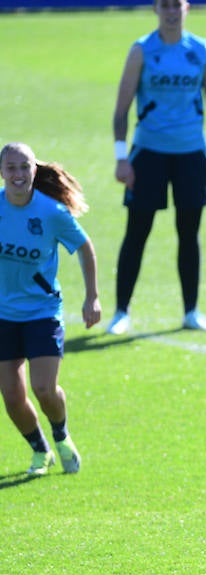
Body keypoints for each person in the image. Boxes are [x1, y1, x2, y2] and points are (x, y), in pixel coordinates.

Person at [108, 0, 206, 336]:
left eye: (176, 5)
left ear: (186, 8)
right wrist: (122, 157)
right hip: (148, 153)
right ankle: (121, 312)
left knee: (189, 233)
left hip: (191, 153)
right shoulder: (141, 51)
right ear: (156, 9)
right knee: (137, 232)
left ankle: (191, 312)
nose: (170, 11)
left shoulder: (203, 51)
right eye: (164, 5)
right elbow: (121, 109)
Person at [0, 143, 100, 476]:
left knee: (44, 389)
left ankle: (61, 435)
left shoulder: (51, 213)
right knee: (12, 396)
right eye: (11, 168)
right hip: (3, 315)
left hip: (42, 312)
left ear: (34, 170)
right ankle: (40, 450)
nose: (17, 174)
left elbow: (85, 248)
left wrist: (92, 297)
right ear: (2, 172)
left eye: (24, 167)